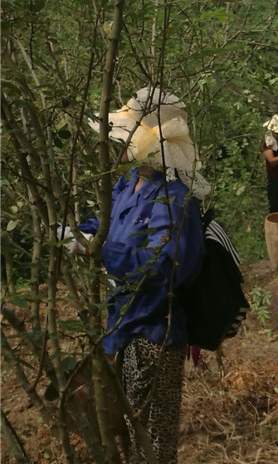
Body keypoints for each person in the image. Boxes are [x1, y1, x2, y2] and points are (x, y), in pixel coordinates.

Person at [79, 87, 211, 464]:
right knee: (121, 433)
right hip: (119, 326)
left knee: (151, 443)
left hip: (154, 331)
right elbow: (103, 225)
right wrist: (77, 233)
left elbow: (169, 265)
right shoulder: (127, 184)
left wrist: (105, 250)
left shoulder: (173, 197)